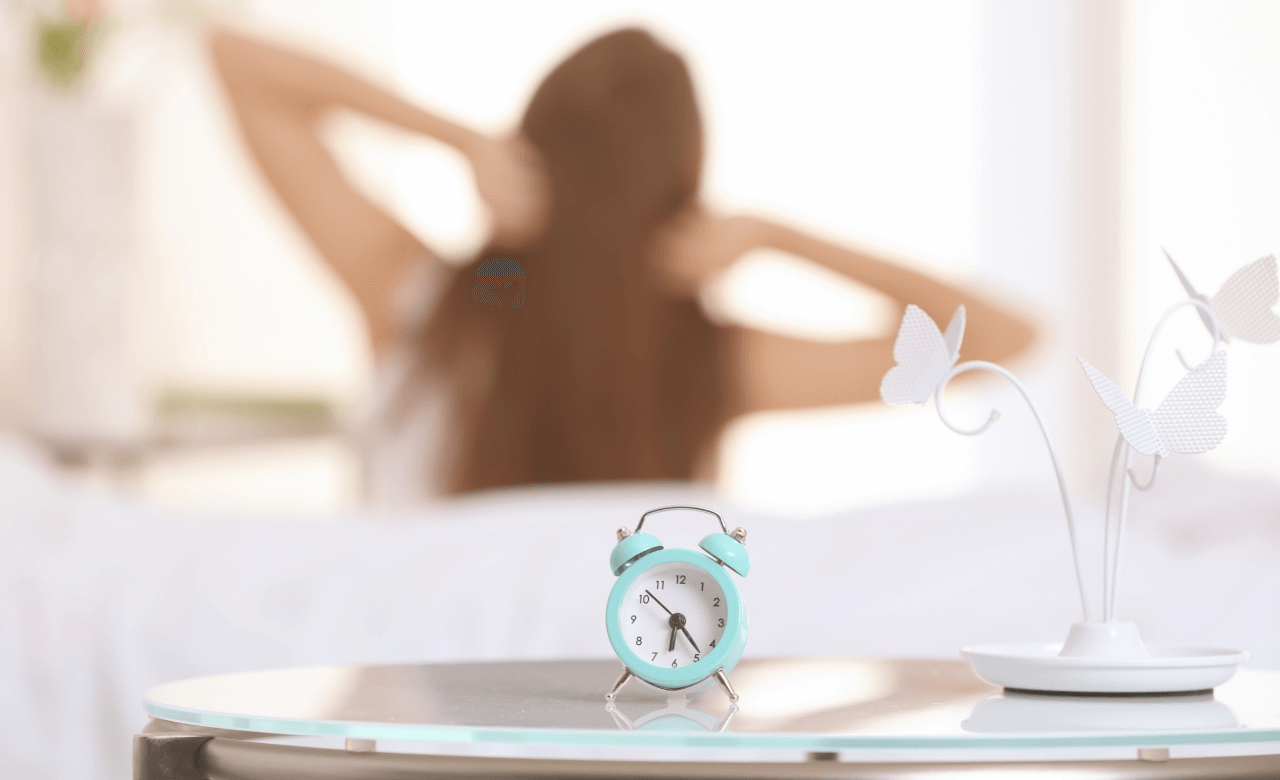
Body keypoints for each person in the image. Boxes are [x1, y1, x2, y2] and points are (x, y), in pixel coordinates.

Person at [209, 26, 1035, 505]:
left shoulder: (414, 297)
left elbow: (234, 60)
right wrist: (778, 238)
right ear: (678, 191)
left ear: (531, 152)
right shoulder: (707, 361)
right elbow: (997, 340)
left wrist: (460, 140)